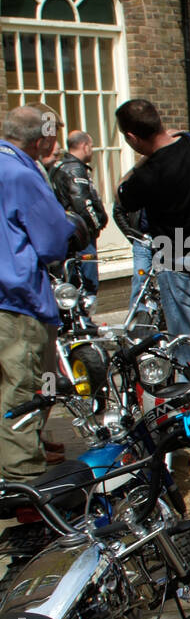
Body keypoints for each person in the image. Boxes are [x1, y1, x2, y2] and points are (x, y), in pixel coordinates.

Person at [115, 98, 190, 404]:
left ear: (133, 138)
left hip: (176, 263)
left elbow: (121, 196)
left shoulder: (148, 174)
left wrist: (139, 163)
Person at [0, 106, 78, 479]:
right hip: (18, 300)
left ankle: (28, 448)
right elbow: (50, 242)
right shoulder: (22, 174)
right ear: (43, 138)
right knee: (27, 383)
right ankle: (22, 473)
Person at [46, 130, 108, 294]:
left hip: (68, 233)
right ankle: (85, 316)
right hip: (81, 236)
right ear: (84, 146)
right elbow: (83, 203)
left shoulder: (59, 167)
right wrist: (96, 225)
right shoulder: (75, 169)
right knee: (88, 281)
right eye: (91, 146)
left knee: (73, 277)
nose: (92, 151)